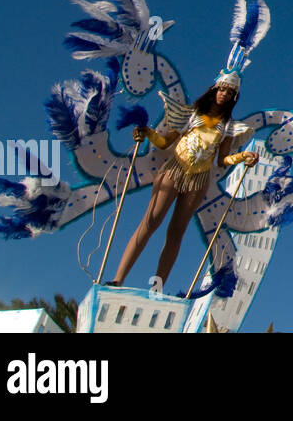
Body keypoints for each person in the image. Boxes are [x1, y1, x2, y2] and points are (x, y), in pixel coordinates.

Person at [108, 72, 257, 288]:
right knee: (150, 222)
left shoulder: (228, 127)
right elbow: (164, 142)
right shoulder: (191, 114)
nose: (224, 95)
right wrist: (148, 133)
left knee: (177, 232)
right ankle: (118, 278)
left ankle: (157, 287)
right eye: (222, 89)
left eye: (230, 92)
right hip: (175, 170)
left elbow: (223, 160)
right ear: (214, 90)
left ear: (234, 98)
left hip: (199, 180)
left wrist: (243, 157)